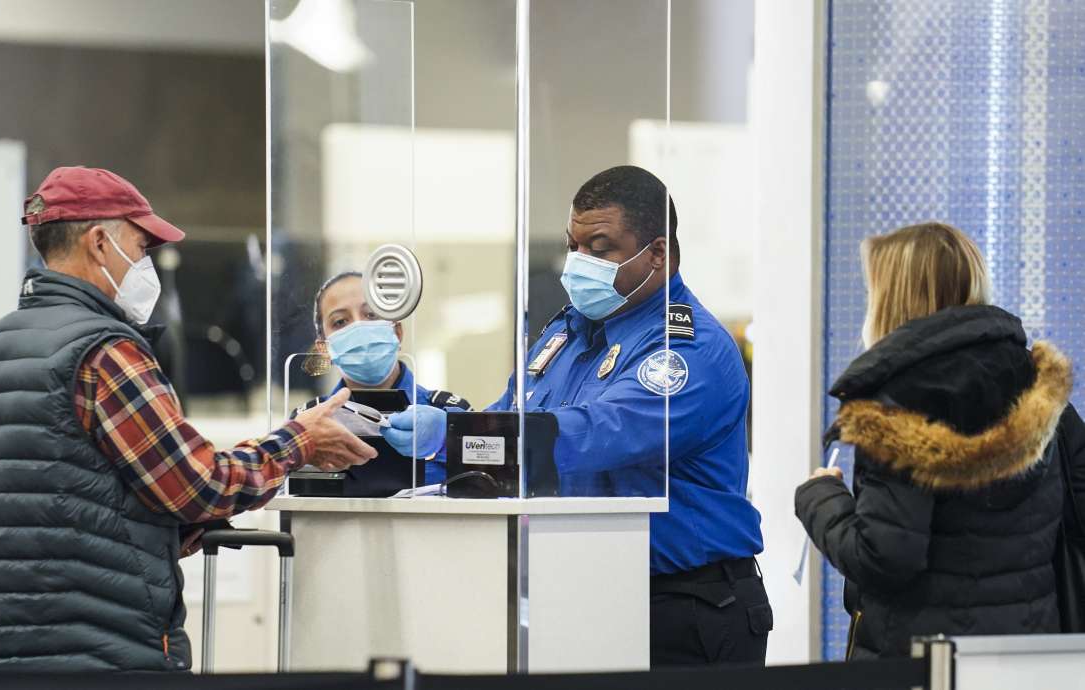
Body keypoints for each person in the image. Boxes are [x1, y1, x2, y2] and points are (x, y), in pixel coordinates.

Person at [0, 166, 377, 672]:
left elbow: (10, 524)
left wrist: (165, 532)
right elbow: (197, 484)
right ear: (100, 243)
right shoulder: (104, 354)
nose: (148, 265)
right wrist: (298, 441)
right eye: (142, 248)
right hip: (103, 658)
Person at [383, 165, 770, 666]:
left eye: (601, 247)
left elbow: (599, 435)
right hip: (580, 593)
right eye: (573, 246)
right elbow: (508, 426)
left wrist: (455, 437)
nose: (578, 263)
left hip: (684, 606)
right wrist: (415, 438)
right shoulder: (565, 336)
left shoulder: (688, 351)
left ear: (658, 254)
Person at [794, 222, 1072, 658]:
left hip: (924, 660)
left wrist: (820, 497)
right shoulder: (1037, 383)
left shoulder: (898, 403)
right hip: (1026, 654)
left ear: (896, 298)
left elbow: (884, 559)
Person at [293, 271, 472, 484]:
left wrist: (446, 439)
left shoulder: (449, 415)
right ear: (324, 349)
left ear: (397, 332)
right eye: (340, 322)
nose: (359, 327)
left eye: (371, 314)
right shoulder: (309, 422)